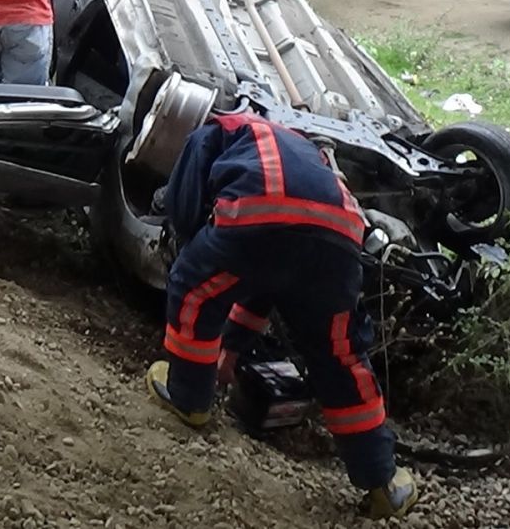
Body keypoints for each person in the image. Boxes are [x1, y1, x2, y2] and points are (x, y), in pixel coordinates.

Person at [145, 110, 419, 520]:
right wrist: (230, 352)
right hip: (341, 240)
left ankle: (189, 398)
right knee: (340, 357)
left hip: (264, 211)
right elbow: (266, 283)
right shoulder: (303, 151)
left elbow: (186, 212)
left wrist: (191, 244)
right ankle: (384, 482)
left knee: (192, 287)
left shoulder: (217, 131)